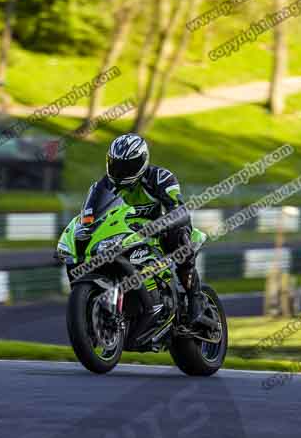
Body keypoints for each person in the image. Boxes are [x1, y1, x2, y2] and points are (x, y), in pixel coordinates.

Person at [82, 133, 211, 329]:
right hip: (126, 234)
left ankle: (196, 302)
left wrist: (164, 223)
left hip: (162, 232)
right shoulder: (104, 186)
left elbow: (178, 208)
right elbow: (91, 214)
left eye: (126, 166)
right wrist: (85, 227)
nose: (120, 171)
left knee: (179, 238)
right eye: (115, 164)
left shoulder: (160, 178)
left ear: (141, 162)